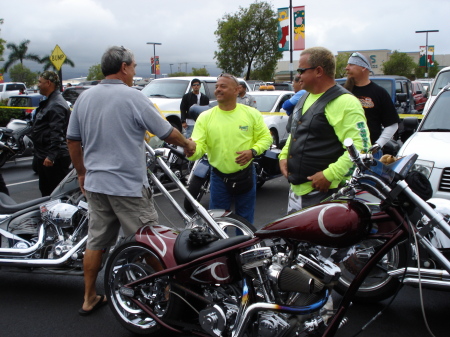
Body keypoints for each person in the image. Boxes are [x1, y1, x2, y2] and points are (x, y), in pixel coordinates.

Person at [67, 46, 196, 316]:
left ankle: (89, 296)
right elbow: (165, 131)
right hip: (127, 187)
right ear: (124, 67)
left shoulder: (84, 98)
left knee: (96, 242)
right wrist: (187, 144)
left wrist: (81, 172)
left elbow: (73, 140)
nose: (135, 71)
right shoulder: (133, 97)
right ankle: (167, 295)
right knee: (150, 241)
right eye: (134, 66)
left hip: (96, 185)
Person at [279, 47, 370, 214]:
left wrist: (330, 174)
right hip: (297, 192)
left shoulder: (345, 102)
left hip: (325, 195)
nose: (298, 75)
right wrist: (284, 156)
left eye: (302, 70)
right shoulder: (305, 96)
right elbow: (295, 132)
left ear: (318, 71)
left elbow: (361, 146)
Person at [187, 73, 272, 224]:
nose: (218, 89)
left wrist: (253, 151)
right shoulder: (206, 117)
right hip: (218, 177)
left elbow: (266, 138)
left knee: (245, 220)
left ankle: (244, 247)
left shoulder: (251, 114)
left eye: (223, 86)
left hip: (246, 174)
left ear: (237, 90)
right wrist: (192, 151)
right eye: (217, 86)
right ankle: (222, 247)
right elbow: (199, 147)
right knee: (218, 221)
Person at [344, 52, 399, 157]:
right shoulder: (342, 91)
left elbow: (392, 124)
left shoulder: (379, 92)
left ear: (363, 68)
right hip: (343, 152)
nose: (347, 68)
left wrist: (378, 144)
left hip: (370, 154)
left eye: (351, 65)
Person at [29, 71, 71, 197]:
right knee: (46, 193)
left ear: (48, 83)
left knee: (53, 195)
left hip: (54, 160)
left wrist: (51, 156)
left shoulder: (56, 105)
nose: (38, 85)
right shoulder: (50, 102)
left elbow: (56, 133)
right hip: (44, 155)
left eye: (40, 82)